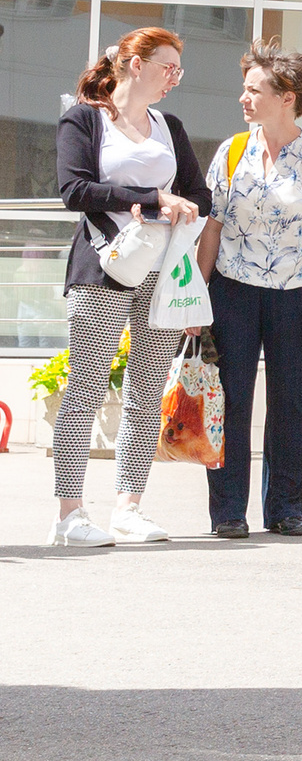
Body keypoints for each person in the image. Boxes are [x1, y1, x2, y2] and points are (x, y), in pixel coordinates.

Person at [50, 27, 206, 548]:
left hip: (161, 272)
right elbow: (74, 189)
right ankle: (70, 514)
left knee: (145, 394)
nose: (174, 78)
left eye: (178, 70)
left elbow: (199, 193)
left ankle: (128, 507)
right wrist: (151, 197)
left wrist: (181, 207)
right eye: (168, 67)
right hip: (104, 266)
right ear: (135, 65)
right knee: (86, 387)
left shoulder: (169, 125)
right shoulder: (84, 119)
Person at [196, 43, 302, 540]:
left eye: (254, 89)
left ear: (287, 97)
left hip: (299, 293)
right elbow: (213, 228)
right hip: (233, 290)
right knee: (229, 400)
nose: (244, 97)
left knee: (297, 404)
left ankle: (286, 507)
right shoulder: (232, 150)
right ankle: (228, 513)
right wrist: (197, 296)